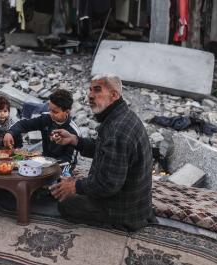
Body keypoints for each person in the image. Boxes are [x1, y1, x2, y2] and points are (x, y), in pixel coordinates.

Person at [49, 74, 154, 231]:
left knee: (65, 204)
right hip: (135, 201)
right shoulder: (121, 116)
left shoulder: (117, 130)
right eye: (90, 90)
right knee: (73, 187)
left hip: (124, 210)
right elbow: (103, 148)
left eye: (97, 90)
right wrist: (75, 140)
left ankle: (117, 224)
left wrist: (75, 187)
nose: (90, 95)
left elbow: (108, 184)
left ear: (114, 95)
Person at [3, 89, 80, 164]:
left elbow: (70, 159)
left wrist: (50, 164)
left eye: (55, 112)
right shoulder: (46, 118)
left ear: (67, 112)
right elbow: (24, 124)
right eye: (49, 110)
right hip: (45, 160)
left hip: (63, 165)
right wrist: (10, 133)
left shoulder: (73, 131)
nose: (51, 114)